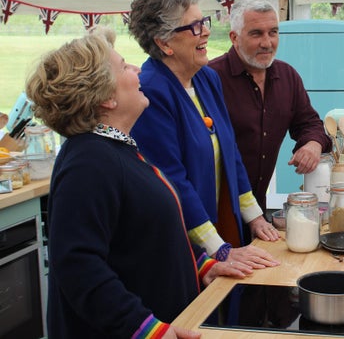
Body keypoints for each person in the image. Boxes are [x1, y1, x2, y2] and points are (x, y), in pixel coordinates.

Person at [25, 27, 245, 339]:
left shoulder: (115, 149)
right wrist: (145, 330)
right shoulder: (88, 163)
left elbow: (146, 234)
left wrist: (201, 265)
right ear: (105, 98)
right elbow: (78, 266)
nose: (137, 69)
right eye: (125, 65)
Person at [128, 0, 280, 270]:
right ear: (164, 43)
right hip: (184, 248)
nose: (207, 31)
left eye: (204, 22)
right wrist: (218, 250)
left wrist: (255, 218)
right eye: (195, 26)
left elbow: (230, 151)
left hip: (223, 227)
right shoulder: (150, 93)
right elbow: (172, 182)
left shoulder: (206, 79)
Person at [208, 0, 331, 212]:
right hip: (217, 212)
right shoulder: (210, 79)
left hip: (259, 207)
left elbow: (309, 123)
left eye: (273, 32)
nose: (267, 43)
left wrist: (313, 144)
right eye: (256, 34)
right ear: (234, 38)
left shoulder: (287, 76)